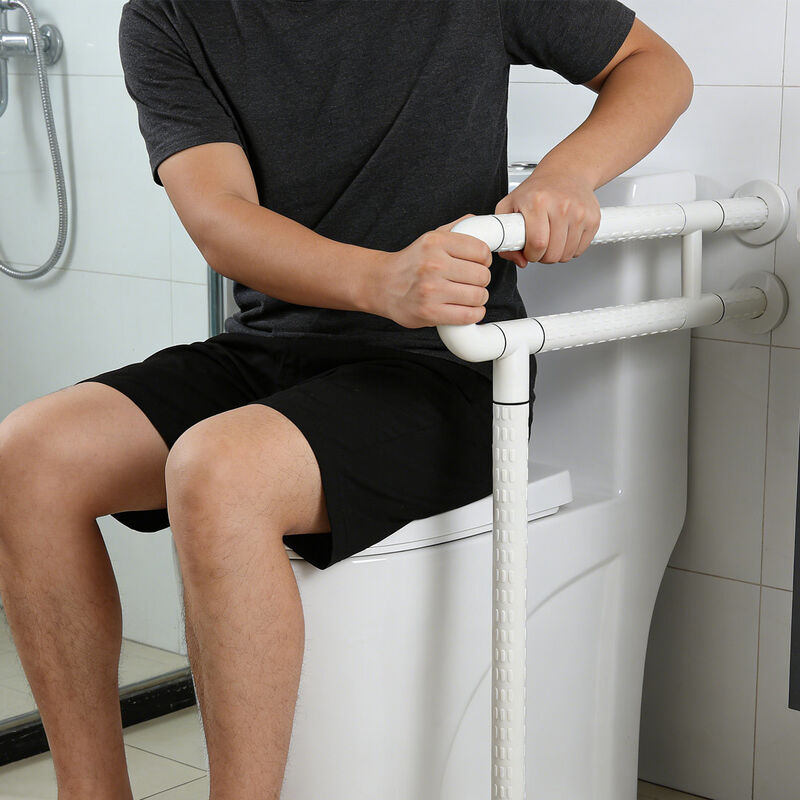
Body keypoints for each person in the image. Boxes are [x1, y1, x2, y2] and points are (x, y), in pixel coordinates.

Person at [0, 1, 693, 798]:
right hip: (269, 350)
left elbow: (655, 67)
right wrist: (382, 280)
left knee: (218, 470)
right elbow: (220, 217)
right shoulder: (169, 14)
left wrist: (564, 174)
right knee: (30, 457)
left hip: (445, 368)